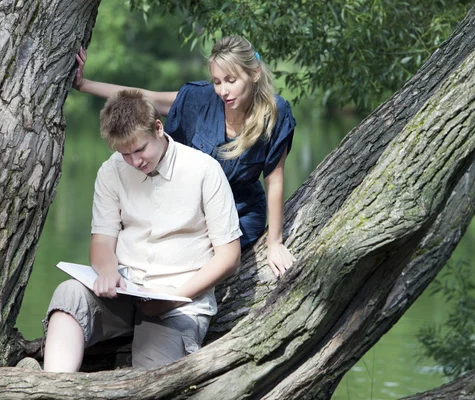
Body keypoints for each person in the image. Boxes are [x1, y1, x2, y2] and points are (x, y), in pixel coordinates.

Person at [41, 90, 242, 371]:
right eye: (125, 154)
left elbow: (229, 257)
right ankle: (54, 388)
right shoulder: (111, 172)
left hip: (180, 300)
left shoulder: (204, 170)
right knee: (69, 294)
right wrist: (108, 271)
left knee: (150, 381)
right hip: (125, 290)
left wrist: (173, 300)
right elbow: (101, 242)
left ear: (158, 128)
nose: (136, 161)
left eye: (140, 150)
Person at [73, 35, 296, 278]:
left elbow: (274, 180)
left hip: (239, 213)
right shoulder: (198, 98)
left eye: (231, 80)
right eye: (217, 81)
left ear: (254, 74)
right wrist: (84, 84)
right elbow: (147, 98)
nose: (223, 90)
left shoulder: (276, 114)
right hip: (189, 213)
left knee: (201, 262)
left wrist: (275, 243)